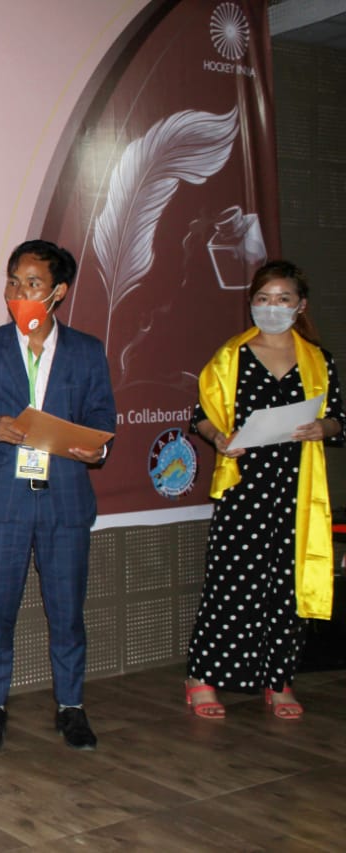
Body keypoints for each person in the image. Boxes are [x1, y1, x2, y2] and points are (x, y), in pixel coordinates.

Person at [0, 239, 116, 752]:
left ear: (58, 292)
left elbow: (102, 418)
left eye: (33, 284)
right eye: (13, 282)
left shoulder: (86, 351)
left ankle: (71, 707)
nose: (19, 292)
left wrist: (97, 450)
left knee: (67, 612)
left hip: (66, 500)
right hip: (2, 502)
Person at [185, 260, 343, 720]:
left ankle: (279, 680)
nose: (272, 307)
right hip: (245, 487)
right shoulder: (230, 357)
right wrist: (219, 439)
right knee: (231, 582)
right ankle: (203, 676)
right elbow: (201, 416)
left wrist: (323, 427)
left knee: (286, 585)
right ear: (251, 303)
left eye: (283, 299)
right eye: (263, 298)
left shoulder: (318, 360)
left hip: (297, 489)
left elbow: (339, 419)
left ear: (300, 306)